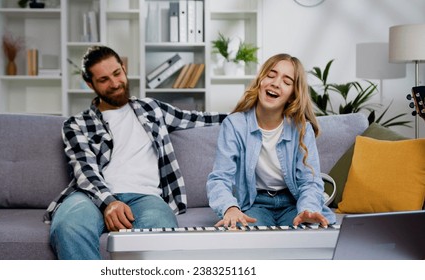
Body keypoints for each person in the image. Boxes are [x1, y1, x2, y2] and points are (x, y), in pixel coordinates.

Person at [43, 45, 226, 260]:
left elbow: (201, 119)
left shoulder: (152, 109)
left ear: (123, 68)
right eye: (103, 80)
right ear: (89, 84)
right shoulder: (77, 124)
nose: (114, 84)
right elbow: (85, 171)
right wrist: (109, 202)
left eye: (117, 73)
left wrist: (253, 114)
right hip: (91, 197)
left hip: (146, 197)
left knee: (160, 230)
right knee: (68, 227)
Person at [206, 53, 336, 229]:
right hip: (255, 203)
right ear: (260, 81)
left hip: (294, 203)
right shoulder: (234, 124)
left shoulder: (302, 128)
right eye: (271, 75)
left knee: (307, 232)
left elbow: (310, 181)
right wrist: (230, 208)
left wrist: (308, 209)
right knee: (250, 235)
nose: (275, 83)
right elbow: (220, 178)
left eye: (286, 81)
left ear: (292, 95)